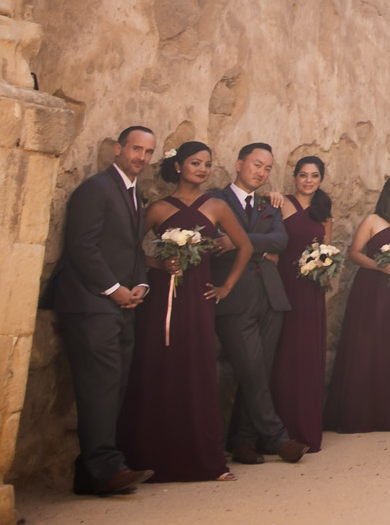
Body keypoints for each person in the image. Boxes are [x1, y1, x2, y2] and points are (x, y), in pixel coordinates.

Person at [118, 141, 252, 482]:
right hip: (163, 298)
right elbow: (129, 249)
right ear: (178, 167)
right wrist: (158, 263)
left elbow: (245, 245)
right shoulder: (159, 208)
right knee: (158, 369)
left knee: (197, 370)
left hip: (198, 300)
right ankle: (151, 458)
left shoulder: (217, 206)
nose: (203, 169)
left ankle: (205, 460)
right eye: (195, 163)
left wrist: (226, 288)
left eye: (207, 164)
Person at [48, 125, 156, 496]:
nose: (140, 157)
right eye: (135, 149)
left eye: (147, 152)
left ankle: (91, 473)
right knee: (100, 387)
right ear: (117, 149)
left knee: (114, 386)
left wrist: (141, 284)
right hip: (90, 305)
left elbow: (133, 249)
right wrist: (114, 290)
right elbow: (82, 246)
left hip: (121, 306)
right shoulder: (94, 189)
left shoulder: (134, 195)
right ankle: (105, 468)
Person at [210, 142, 304, 466]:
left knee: (259, 371)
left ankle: (244, 441)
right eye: (256, 164)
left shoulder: (269, 205)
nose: (261, 172)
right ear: (238, 164)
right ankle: (277, 437)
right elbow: (212, 245)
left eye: (267, 168)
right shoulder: (215, 201)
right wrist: (257, 246)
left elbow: (282, 240)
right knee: (251, 368)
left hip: (271, 295)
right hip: (233, 297)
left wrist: (238, 241)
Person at [323, 175, 390, 433]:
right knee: (368, 344)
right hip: (371, 289)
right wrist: (381, 267)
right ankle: (360, 413)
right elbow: (354, 253)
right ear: (388, 194)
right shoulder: (372, 220)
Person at [268, 155, 333, 452]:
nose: (308, 181)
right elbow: (270, 242)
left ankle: (306, 427)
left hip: (311, 289)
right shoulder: (279, 203)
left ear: (320, 179)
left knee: (307, 353)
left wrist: (323, 267)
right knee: (282, 353)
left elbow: (326, 250)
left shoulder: (323, 211)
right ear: (294, 177)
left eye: (314, 176)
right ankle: (277, 429)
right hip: (283, 284)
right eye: (303, 175)